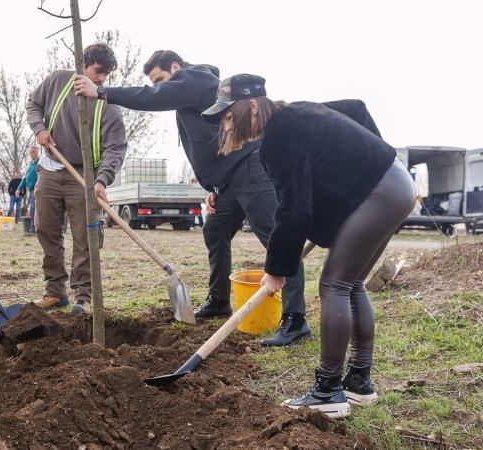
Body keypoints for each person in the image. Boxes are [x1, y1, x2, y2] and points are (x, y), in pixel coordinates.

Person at [202, 73, 414, 418]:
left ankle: (328, 391)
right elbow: (355, 109)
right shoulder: (298, 112)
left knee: (334, 285)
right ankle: (358, 383)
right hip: (396, 184)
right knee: (353, 283)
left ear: (252, 107)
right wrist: (369, 162)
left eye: (228, 116)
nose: (226, 127)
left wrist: (275, 270)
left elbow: (293, 210)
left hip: (381, 192)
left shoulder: (278, 139)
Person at [74, 50, 309, 346]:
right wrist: (214, 187)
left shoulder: (196, 77)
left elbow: (154, 96)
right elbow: (210, 144)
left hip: (250, 170)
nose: (161, 87)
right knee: (215, 230)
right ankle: (219, 300)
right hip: (228, 181)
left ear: (175, 67)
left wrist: (103, 92)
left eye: (162, 79)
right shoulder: (193, 95)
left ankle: (295, 319)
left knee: (277, 238)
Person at [27, 43, 127, 314]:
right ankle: (55, 292)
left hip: (83, 175)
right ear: (83, 64)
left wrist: (102, 180)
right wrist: (39, 129)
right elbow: (33, 105)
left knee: (86, 236)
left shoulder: (109, 106)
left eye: (106, 74)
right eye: (98, 71)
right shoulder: (57, 81)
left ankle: (82, 296)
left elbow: (115, 148)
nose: (101, 79)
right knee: (46, 229)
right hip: (50, 168)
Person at [17, 146, 39, 236]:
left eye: (33, 152)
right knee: (33, 209)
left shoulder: (40, 163)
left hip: (38, 189)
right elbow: (25, 177)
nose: (32, 154)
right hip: (31, 190)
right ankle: (33, 228)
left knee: (34, 209)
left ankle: (33, 229)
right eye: (30, 152)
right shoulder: (30, 164)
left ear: (37, 152)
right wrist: (19, 188)